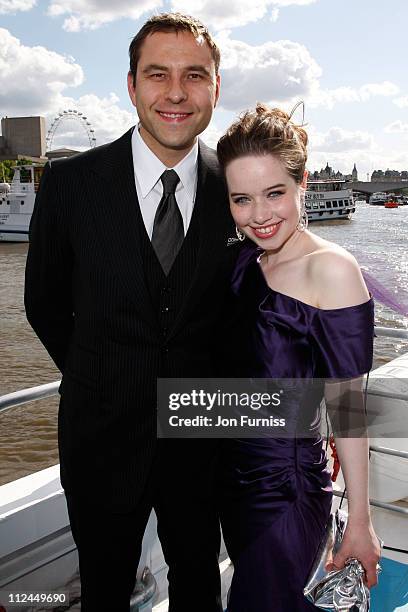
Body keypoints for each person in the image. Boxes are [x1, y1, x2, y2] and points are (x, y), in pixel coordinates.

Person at [24, 13, 239, 612]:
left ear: (216, 87)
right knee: (104, 591)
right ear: (130, 84)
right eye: (157, 74)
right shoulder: (69, 184)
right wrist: (104, 377)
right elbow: (42, 302)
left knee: (199, 584)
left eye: (195, 75)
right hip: (100, 439)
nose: (175, 92)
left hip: (202, 441)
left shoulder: (240, 187)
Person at [216, 103, 381, 611]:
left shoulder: (330, 270)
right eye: (241, 199)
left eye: (274, 194)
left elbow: (349, 404)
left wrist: (360, 519)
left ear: (303, 181)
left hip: (284, 494)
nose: (259, 216)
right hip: (235, 485)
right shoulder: (248, 259)